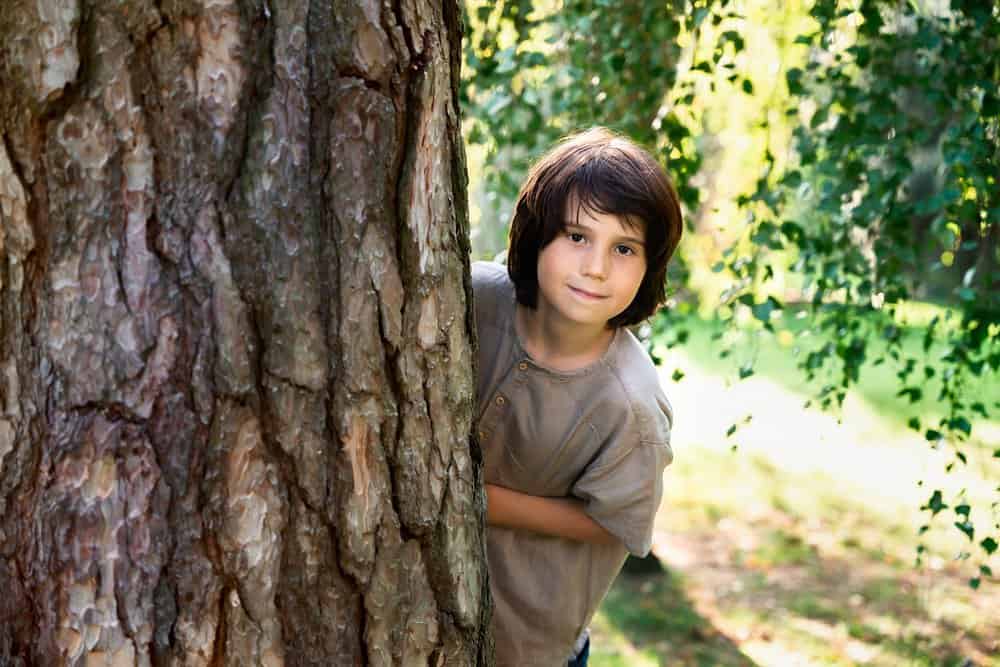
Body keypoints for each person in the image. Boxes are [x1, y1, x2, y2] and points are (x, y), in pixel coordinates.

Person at [472, 127, 684, 666]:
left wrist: (482, 501)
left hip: (527, 648)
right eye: (576, 236)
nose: (596, 267)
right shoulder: (470, 299)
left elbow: (620, 524)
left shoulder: (630, 405)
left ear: (650, 265)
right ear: (536, 234)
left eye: (624, 248)